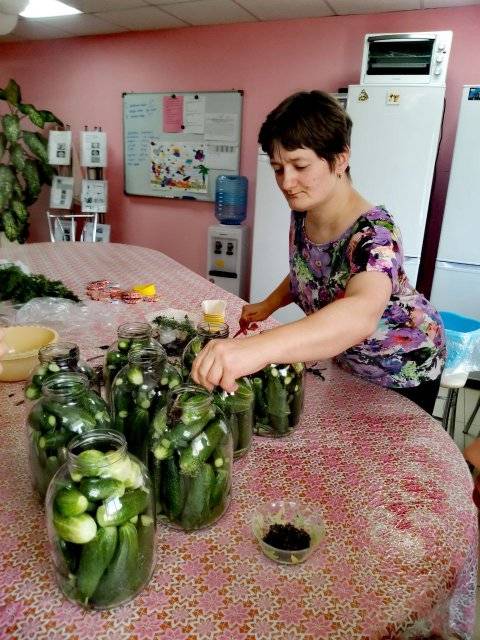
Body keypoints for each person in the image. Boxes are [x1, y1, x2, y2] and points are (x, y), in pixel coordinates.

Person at [191, 90, 446, 414]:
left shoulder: (376, 235)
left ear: (339, 159)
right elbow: (310, 269)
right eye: (278, 168)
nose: (286, 181)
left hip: (403, 368)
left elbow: (360, 313)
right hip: (347, 359)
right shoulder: (304, 211)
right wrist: (269, 305)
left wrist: (258, 349)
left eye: (299, 165)